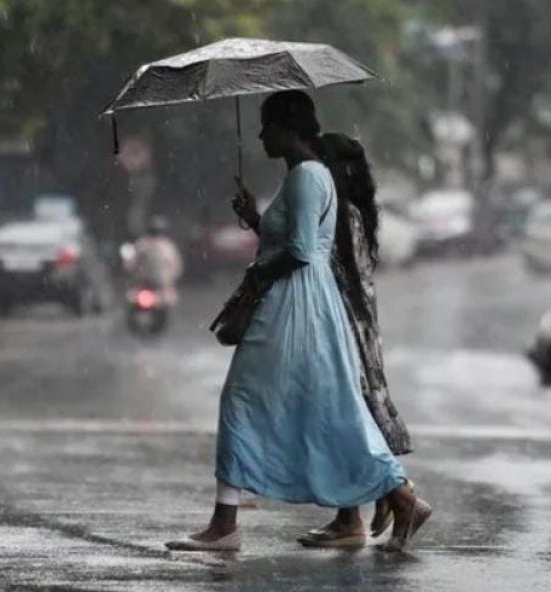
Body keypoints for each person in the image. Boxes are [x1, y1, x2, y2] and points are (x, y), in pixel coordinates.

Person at [165, 91, 430, 553]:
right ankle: (400, 497)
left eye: (266, 125)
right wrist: (256, 219)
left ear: (288, 128)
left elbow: (303, 250)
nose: (260, 135)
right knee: (328, 408)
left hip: (294, 304)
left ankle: (224, 526)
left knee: (242, 400)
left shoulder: (307, 176)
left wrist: (257, 274)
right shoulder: (309, 175)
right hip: (307, 302)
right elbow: (294, 240)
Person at [296, 132, 414, 547]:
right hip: (353, 326)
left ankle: (395, 496)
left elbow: (316, 263)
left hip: (342, 328)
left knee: (346, 418)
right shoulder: (353, 211)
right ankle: (356, 512)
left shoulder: (341, 214)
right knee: (346, 418)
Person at [129, 215, 184, 304]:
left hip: (157, 285)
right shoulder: (167, 246)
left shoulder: (143, 244)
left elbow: (131, 264)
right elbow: (177, 267)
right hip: (147, 284)